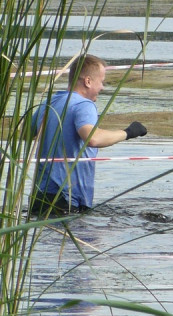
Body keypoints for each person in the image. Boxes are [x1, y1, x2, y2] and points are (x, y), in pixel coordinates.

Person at [31, 54, 148, 215]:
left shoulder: (48, 103)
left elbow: (25, 133)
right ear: (88, 81)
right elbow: (92, 138)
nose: (102, 87)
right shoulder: (83, 104)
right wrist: (128, 133)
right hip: (66, 198)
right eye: (101, 81)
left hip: (39, 195)